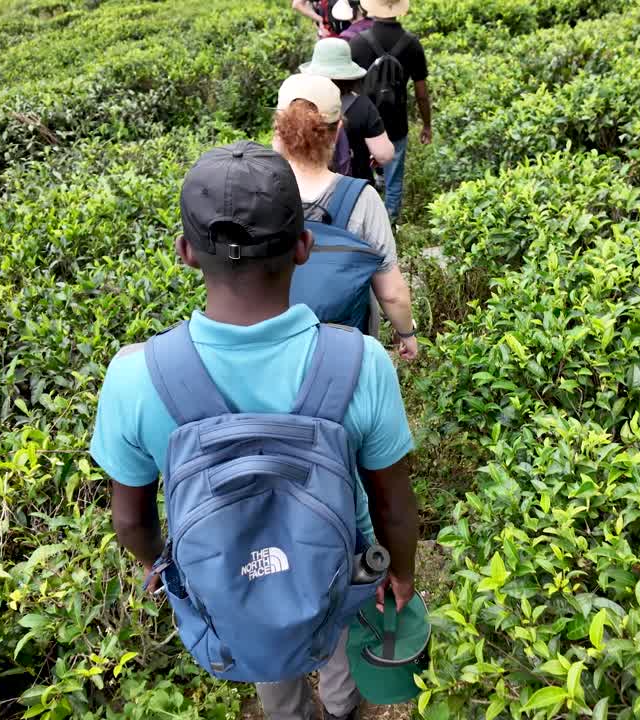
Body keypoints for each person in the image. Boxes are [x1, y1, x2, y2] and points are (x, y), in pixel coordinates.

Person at [91, 140, 419, 720]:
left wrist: (161, 569)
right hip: (344, 568)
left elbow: (130, 519)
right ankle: (341, 708)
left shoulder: (136, 375)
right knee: (342, 650)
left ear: (186, 253)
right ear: (304, 247)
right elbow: (393, 507)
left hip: (229, 576)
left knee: (262, 646)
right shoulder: (361, 362)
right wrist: (402, 570)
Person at [273, 73, 419, 359]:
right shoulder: (362, 199)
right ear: (337, 129)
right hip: (345, 351)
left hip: (275, 346)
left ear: (278, 130)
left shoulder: (255, 192)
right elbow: (391, 292)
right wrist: (407, 334)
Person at [347, 0, 432, 224]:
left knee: (362, 175)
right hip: (397, 122)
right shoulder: (412, 43)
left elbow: (348, 89)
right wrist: (426, 124)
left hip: (364, 123)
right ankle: (390, 225)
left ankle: (366, 223)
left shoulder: (357, 43)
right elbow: (421, 92)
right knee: (395, 180)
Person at [300, 37, 395, 183]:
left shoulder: (300, 103)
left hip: (309, 187)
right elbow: (384, 155)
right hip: (352, 189)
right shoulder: (363, 106)